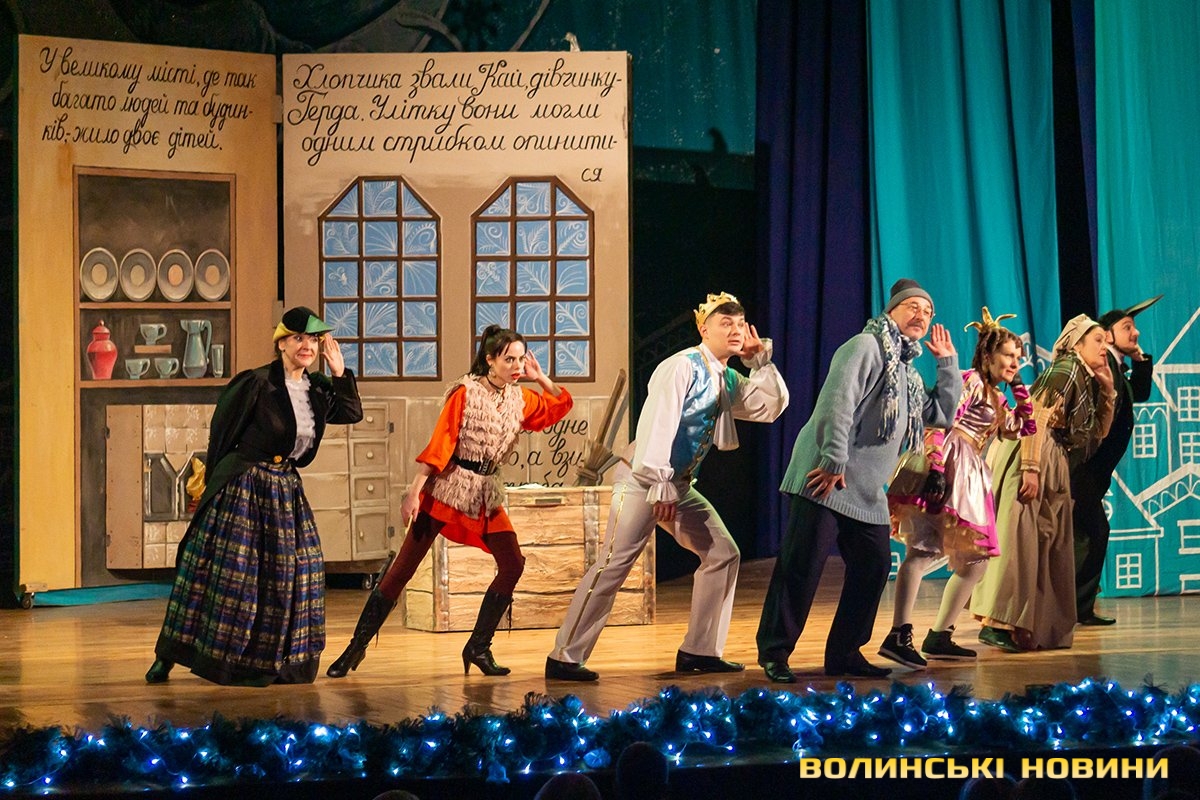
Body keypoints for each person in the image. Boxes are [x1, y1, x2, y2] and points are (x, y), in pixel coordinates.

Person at [546, 292, 789, 681]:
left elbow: (769, 407)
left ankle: (700, 649)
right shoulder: (682, 366)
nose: (735, 330)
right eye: (725, 323)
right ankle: (564, 655)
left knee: (723, 553)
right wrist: (659, 485)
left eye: (740, 323)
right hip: (642, 479)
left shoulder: (726, 377)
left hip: (676, 484)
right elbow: (659, 423)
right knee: (614, 563)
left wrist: (760, 361)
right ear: (703, 328)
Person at [326, 325, 572, 678]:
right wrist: (414, 491)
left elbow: (560, 405)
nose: (517, 366)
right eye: (509, 359)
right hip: (448, 488)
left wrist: (541, 378)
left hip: (485, 492)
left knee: (513, 563)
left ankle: (478, 647)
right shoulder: (465, 393)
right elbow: (441, 443)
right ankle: (355, 647)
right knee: (402, 569)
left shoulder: (520, 398)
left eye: (521, 360)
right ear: (490, 360)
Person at [756, 278, 961, 683]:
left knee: (873, 566)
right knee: (801, 567)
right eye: (913, 307)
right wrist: (833, 459)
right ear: (891, 310)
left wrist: (948, 364)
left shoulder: (906, 370)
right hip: (826, 475)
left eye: (927, 311)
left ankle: (845, 653)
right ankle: (775, 653)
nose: (921, 315)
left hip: (865, 489)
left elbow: (939, 415)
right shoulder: (866, 346)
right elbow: (837, 402)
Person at [146, 306, 363, 685]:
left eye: (313, 340)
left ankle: (271, 662)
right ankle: (170, 654)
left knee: (298, 571)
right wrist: (214, 487)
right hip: (244, 485)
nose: (307, 346)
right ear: (281, 343)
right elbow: (222, 434)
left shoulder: (316, 390)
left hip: (284, 488)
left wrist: (339, 372)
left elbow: (351, 412)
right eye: (298, 338)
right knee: (224, 574)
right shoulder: (257, 383)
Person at [878, 308, 1036, 668]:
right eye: (1008, 355)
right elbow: (939, 422)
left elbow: (1023, 428)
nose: (1015, 362)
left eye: (1018, 356)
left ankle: (940, 635)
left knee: (976, 561)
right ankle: (899, 632)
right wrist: (936, 467)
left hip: (970, 471)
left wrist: (1018, 387)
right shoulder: (971, 381)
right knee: (922, 551)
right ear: (988, 356)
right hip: (951, 462)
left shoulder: (995, 395)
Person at [971, 314, 1115, 651]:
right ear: (1076, 344)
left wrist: (1108, 392)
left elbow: (1097, 432)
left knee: (1044, 543)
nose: (1105, 346)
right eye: (1097, 340)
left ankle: (1027, 624)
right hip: (1033, 450)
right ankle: (997, 622)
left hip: (1055, 457)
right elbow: (1036, 414)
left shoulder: (1084, 377)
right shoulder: (1066, 370)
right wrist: (1031, 468)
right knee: (1018, 536)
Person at [1071, 295, 1159, 626]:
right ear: (1107, 335)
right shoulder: (1102, 363)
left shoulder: (1115, 366)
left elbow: (1141, 392)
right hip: (1083, 468)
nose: (1136, 332)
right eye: (1127, 327)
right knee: (1093, 533)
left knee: (1086, 535)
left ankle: (1075, 606)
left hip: (1094, 472)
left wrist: (1140, 359)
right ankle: (1074, 607)